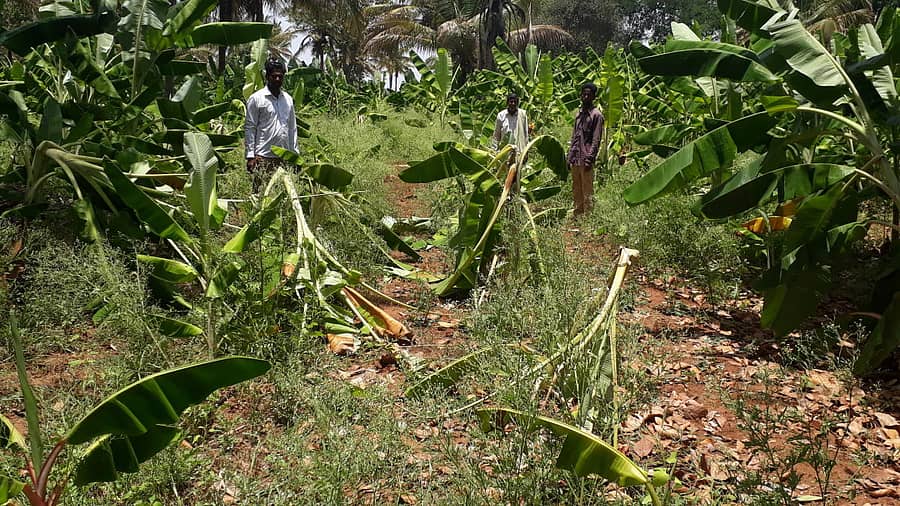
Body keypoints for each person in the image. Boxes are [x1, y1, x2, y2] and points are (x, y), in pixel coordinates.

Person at [244, 57, 298, 191]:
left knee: (282, 194)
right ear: (267, 76)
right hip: (263, 156)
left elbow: (292, 129)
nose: (278, 79)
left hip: (284, 156)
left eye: (280, 76)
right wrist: (250, 155)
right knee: (260, 194)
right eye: (274, 76)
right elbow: (250, 128)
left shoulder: (288, 100)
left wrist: (294, 155)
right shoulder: (257, 98)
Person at [567, 82, 604, 217]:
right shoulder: (579, 115)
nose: (586, 96)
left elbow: (596, 139)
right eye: (584, 94)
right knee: (576, 188)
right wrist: (569, 155)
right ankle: (578, 214)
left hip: (586, 157)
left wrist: (590, 158)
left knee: (587, 189)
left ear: (594, 97)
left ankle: (588, 217)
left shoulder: (596, 115)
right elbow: (574, 136)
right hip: (576, 157)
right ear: (581, 95)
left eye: (589, 94)